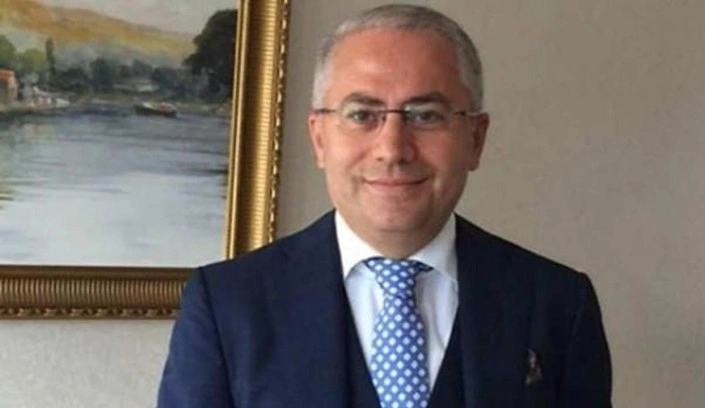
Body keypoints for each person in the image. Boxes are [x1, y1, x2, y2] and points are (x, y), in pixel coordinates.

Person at [157, 4, 612, 407]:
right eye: (362, 115)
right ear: (319, 138)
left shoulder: (557, 305)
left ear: (475, 139)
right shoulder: (227, 307)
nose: (392, 149)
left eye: (425, 116)